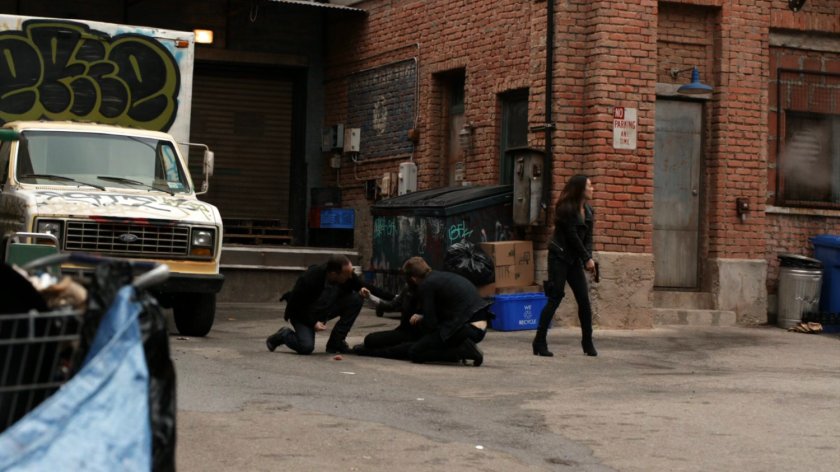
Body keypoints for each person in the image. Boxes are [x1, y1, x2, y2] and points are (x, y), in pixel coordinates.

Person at [265, 254, 387, 355]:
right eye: (347, 274)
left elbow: (366, 286)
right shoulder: (310, 279)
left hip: (324, 311)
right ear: (334, 274)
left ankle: (336, 342)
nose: (350, 276)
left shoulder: (345, 275)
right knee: (306, 347)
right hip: (302, 315)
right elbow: (296, 308)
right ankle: (284, 335)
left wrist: (395, 299)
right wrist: (313, 323)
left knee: (356, 299)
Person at [533, 174, 598, 357]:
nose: (592, 189)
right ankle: (539, 341)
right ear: (580, 189)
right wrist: (586, 258)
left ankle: (587, 343)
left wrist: (589, 257)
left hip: (574, 260)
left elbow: (588, 239)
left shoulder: (589, 211)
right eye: (590, 186)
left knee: (584, 301)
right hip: (559, 257)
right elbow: (572, 237)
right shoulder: (565, 209)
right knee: (555, 298)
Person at [401, 257, 491, 366]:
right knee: (439, 339)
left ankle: (463, 351)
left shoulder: (426, 285)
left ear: (414, 279)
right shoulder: (441, 277)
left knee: (415, 352)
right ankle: (461, 349)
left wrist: (421, 323)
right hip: (480, 326)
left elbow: (431, 324)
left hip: (466, 329)